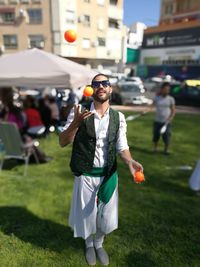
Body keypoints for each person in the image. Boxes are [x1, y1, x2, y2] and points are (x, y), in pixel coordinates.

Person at [59, 74, 143, 266]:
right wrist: (76, 122)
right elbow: (63, 142)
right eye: (96, 84)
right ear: (92, 89)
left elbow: (122, 146)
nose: (101, 87)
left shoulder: (118, 117)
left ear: (110, 88)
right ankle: (89, 245)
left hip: (108, 175)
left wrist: (129, 162)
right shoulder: (78, 111)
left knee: (106, 219)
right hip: (86, 174)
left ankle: (99, 243)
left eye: (105, 83)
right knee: (87, 216)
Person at [153, 82, 176, 154]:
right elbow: (151, 106)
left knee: (166, 136)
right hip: (157, 121)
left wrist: (171, 118)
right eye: (165, 89)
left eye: (168, 90)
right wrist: (144, 111)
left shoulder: (171, 99)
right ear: (162, 89)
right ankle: (155, 149)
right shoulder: (157, 98)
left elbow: (173, 110)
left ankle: (166, 150)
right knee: (156, 136)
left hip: (166, 122)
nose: (167, 91)